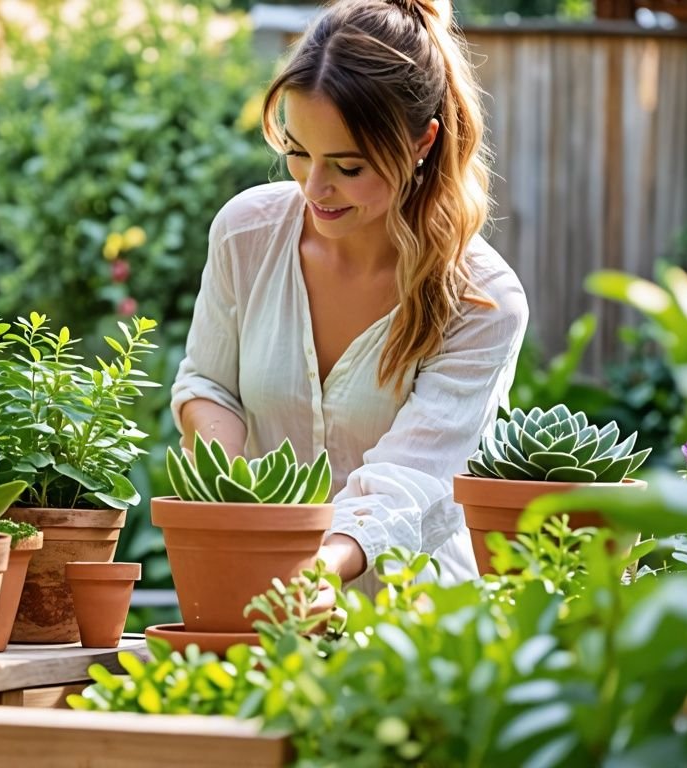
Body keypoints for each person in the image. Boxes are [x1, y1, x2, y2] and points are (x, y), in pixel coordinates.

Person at [170, 0, 528, 593]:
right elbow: (209, 385)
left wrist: (311, 576)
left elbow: (410, 479)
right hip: (260, 593)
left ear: (422, 142)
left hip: (412, 624)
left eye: (349, 166)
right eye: (298, 151)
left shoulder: (482, 301)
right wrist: (234, 498)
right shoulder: (246, 234)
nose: (315, 187)